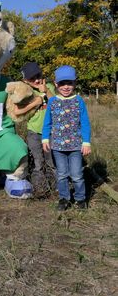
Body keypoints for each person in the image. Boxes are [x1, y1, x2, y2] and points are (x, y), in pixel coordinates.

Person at [42, 65, 91, 211]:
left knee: (77, 175)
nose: (66, 87)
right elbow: (47, 123)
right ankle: (64, 198)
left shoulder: (79, 101)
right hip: (57, 146)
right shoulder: (52, 102)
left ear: (74, 83)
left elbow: (85, 123)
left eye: (69, 83)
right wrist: (45, 139)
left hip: (76, 146)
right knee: (62, 174)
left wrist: (86, 142)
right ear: (56, 84)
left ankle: (80, 199)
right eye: (62, 83)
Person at [15, 62, 56, 197]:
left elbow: (57, 104)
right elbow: (17, 111)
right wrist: (35, 102)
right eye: (32, 79)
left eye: (38, 76)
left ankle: (55, 188)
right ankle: (40, 189)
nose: (37, 80)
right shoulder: (26, 92)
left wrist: (46, 91)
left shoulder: (49, 86)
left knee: (51, 161)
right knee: (38, 162)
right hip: (34, 132)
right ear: (25, 80)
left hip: (50, 131)